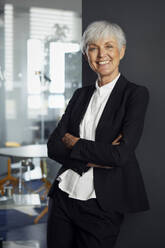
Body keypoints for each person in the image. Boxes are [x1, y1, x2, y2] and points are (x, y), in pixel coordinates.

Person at [47, 20, 150, 248]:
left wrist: (75, 143)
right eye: (93, 47)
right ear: (86, 55)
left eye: (109, 46)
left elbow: (120, 156)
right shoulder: (80, 95)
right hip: (63, 195)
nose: (101, 54)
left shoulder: (135, 95)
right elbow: (53, 146)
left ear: (121, 51)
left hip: (101, 203)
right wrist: (97, 156)